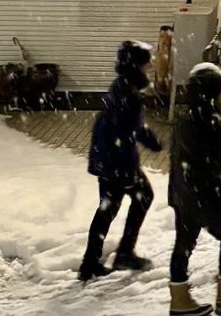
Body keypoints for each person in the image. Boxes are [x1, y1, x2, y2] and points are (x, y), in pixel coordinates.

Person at [169, 62, 221, 316]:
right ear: (213, 93)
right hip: (201, 196)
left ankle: (179, 299)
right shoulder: (209, 124)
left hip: (183, 195)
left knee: (183, 244)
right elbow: (213, 170)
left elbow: (182, 161)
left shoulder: (184, 120)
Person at [79, 39, 161, 282]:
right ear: (137, 65)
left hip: (108, 158)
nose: (150, 66)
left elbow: (127, 126)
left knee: (108, 208)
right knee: (140, 197)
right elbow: (127, 130)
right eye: (146, 63)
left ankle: (90, 263)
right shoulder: (128, 92)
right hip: (117, 161)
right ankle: (122, 254)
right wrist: (148, 142)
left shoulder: (123, 86)